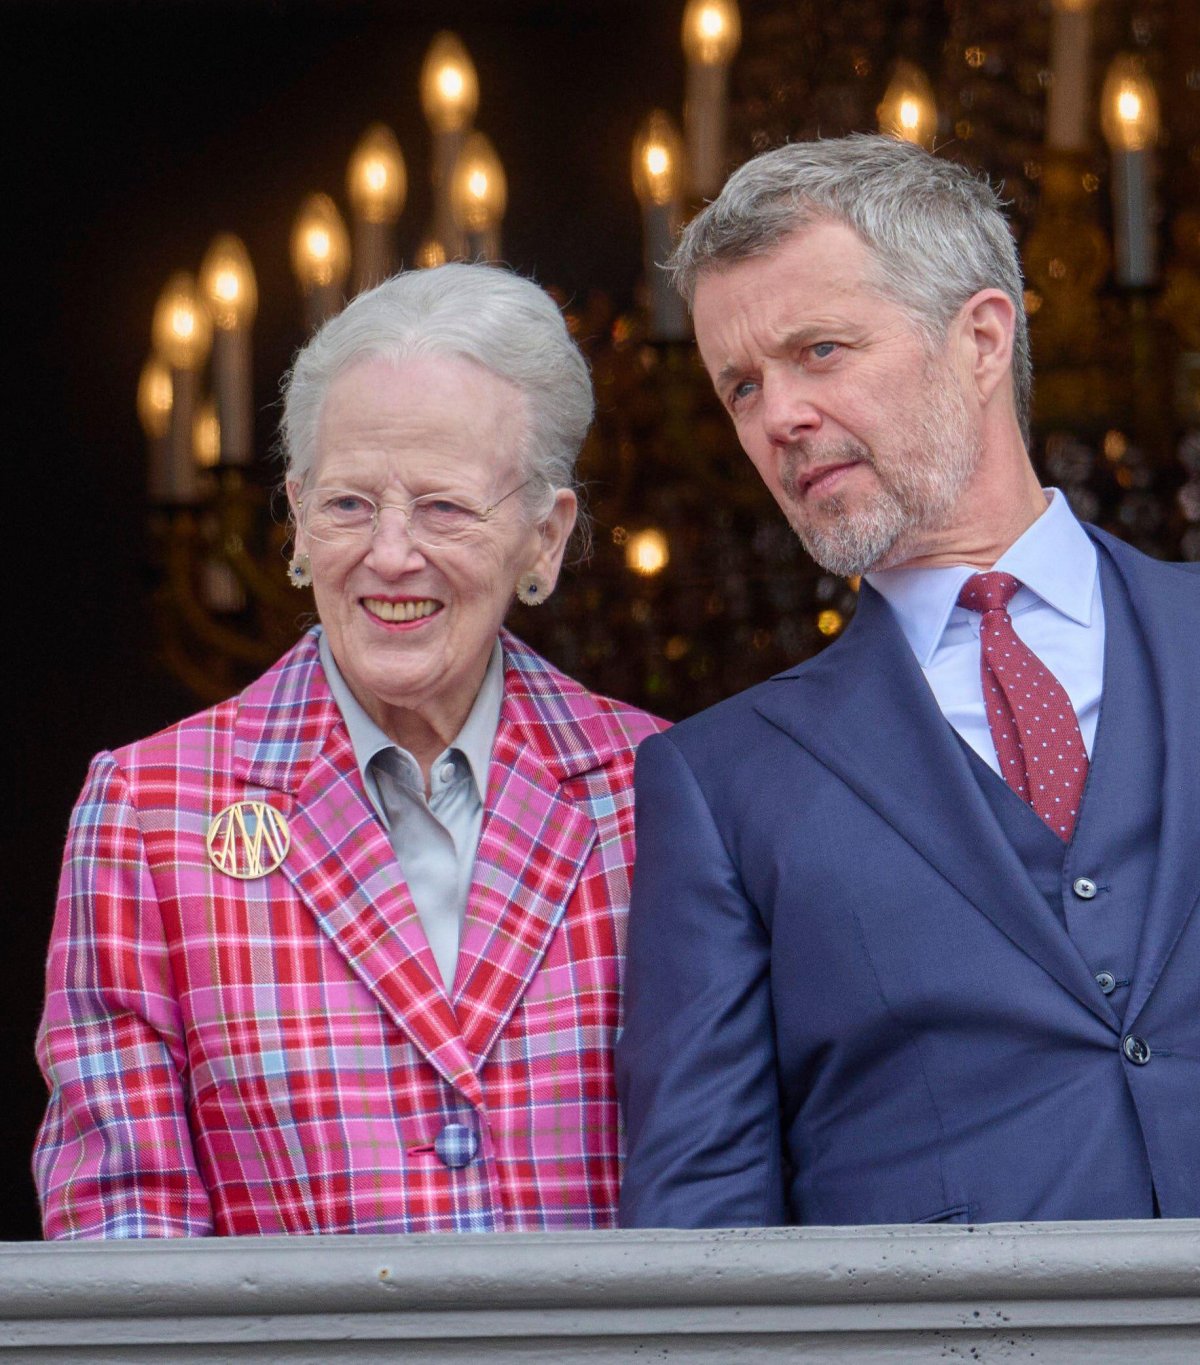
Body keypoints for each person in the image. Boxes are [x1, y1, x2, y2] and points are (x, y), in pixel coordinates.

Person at [617, 134, 1200, 1227]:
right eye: (741, 385)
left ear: (982, 338)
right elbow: (701, 1231)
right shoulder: (718, 783)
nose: (777, 416)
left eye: (822, 350)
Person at [37, 262, 665, 1238]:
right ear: (292, 522)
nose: (391, 553)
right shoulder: (149, 810)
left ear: (545, 537)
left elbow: (735, 1193)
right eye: (347, 505)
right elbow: (125, 1232)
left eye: (446, 507)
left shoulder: (661, 788)